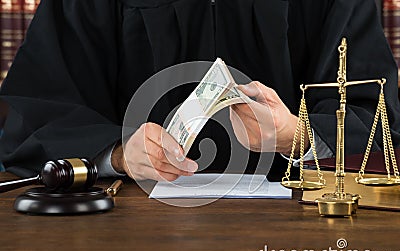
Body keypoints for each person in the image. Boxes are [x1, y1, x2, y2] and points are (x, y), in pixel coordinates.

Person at [0, 0, 399, 181]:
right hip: (128, 228)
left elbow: (376, 113)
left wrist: (300, 135)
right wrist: (119, 155)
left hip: (298, 232)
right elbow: (42, 107)